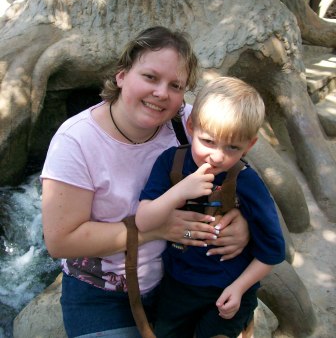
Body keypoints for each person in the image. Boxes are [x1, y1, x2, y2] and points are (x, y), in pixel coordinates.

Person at [41, 27, 250, 338]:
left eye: (175, 85)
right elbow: (61, 241)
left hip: (183, 281)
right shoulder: (76, 141)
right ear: (122, 75)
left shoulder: (191, 124)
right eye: (150, 77)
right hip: (103, 295)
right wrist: (156, 230)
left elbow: (240, 174)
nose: (162, 93)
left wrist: (243, 224)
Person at [136, 76, 286, 338]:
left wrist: (240, 288)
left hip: (228, 287)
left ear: (249, 145)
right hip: (178, 285)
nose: (217, 156)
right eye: (208, 141)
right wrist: (179, 191)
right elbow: (144, 220)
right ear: (191, 126)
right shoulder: (171, 162)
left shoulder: (246, 181)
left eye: (232, 147)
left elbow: (273, 251)